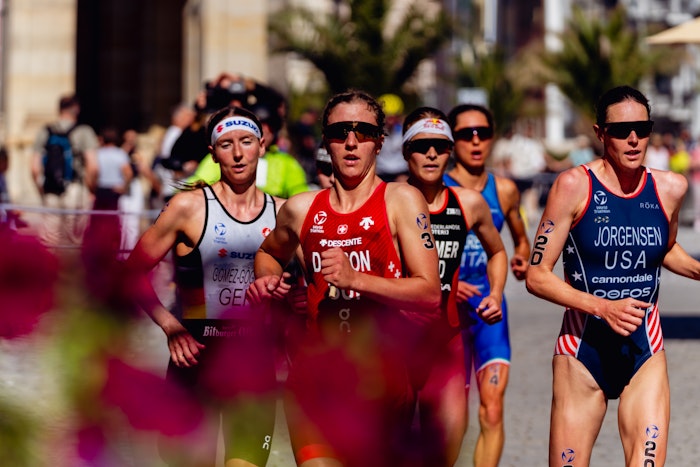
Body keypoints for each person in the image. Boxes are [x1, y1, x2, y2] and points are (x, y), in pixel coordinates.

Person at [246, 90, 442, 466]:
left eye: (363, 132)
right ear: (325, 141)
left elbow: (429, 293)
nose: (351, 142)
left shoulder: (401, 200)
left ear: (379, 142)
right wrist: (269, 282)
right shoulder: (300, 208)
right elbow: (268, 253)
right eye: (340, 132)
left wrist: (357, 279)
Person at [525, 85, 700, 466]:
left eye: (643, 128)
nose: (633, 139)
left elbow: (666, 248)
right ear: (600, 133)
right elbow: (537, 275)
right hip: (582, 349)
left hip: (644, 349)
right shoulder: (573, 186)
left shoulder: (670, 188)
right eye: (621, 130)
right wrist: (602, 307)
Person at [125, 106, 284, 466]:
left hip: (253, 362)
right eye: (227, 144)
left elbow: (310, 286)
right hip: (195, 356)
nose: (238, 153)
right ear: (212, 153)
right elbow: (131, 271)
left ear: (262, 145)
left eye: (246, 142)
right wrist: (170, 326)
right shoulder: (188, 208)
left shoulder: (284, 213)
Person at [403, 106, 508, 466]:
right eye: (422, 146)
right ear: (405, 151)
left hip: (446, 341)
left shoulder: (468, 203)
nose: (432, 154)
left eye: (441, 146)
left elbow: (498, 252)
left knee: (447, 447)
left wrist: (495, 293)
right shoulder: (386, 200)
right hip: (395, 344)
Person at [443, 103, 531, 467]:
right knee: (453, 420)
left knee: (492, 408)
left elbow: (521, 240)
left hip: (489, 312)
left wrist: (522, 259)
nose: (476, 141)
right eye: (466, 134)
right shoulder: (435, 188)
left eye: (483, 133)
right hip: (446, 314)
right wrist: (446, 283)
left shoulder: (505, 190)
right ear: (452, 141)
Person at [187, 104, 310, 198]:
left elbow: (301, 198)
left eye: (269, 126)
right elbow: (194, 184)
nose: (238, 154)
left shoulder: (286, 162)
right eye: (226, 145)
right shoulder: (221, 157)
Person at [30, 94, 99, 247]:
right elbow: (93, 166)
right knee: (74, 242)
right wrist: (91, 189)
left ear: (59, 109)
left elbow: (34, 167)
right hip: (75, 190)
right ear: (77, 109)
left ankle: (50, 263)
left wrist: (41, 189)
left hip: (51, 189)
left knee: (49, 241)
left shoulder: (45, 131)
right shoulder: (84, 131)